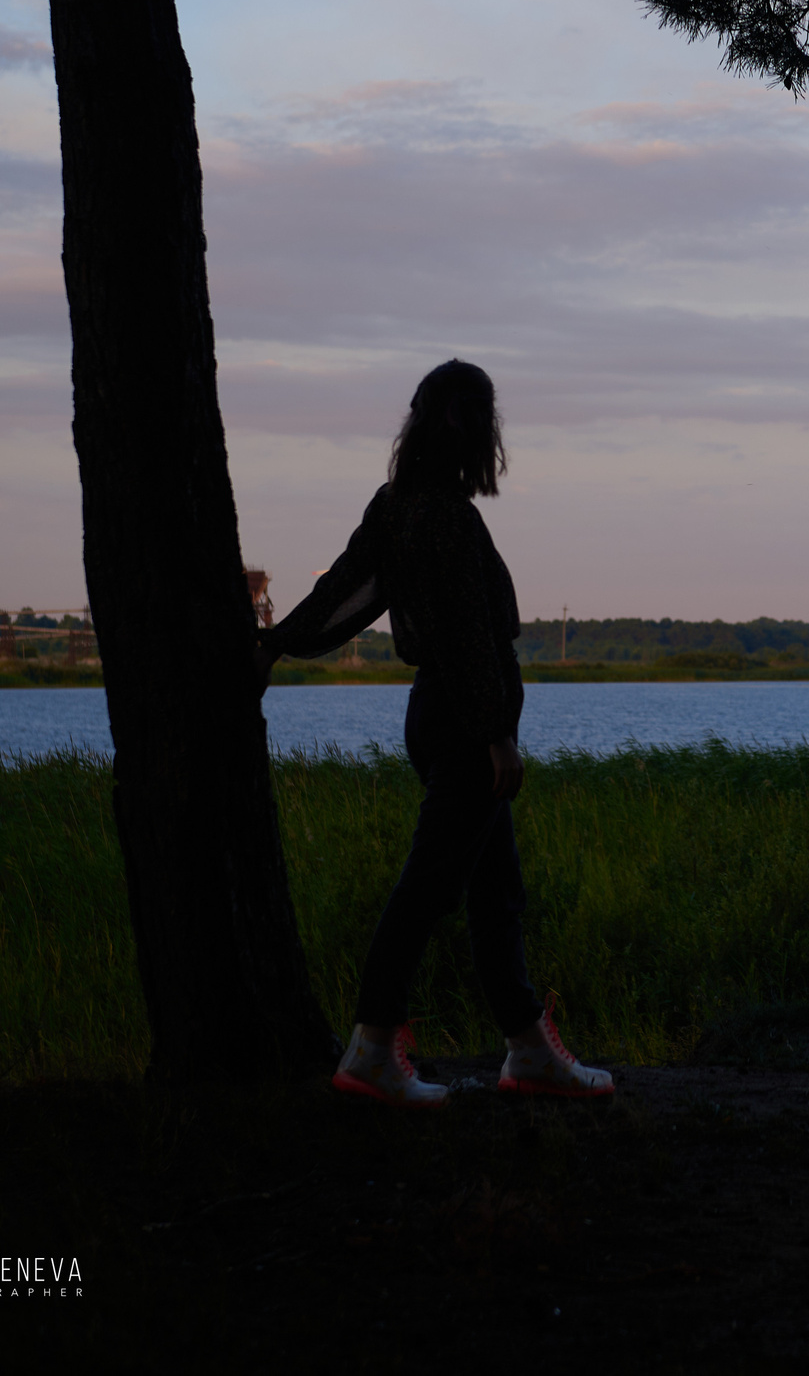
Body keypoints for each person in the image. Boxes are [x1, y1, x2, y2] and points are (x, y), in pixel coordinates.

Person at [257, 360, 612, 1108]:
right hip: (462, 724)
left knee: (495, 888)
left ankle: (527, 1049)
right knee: (430, 887)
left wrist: (276, 643)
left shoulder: (397, 505)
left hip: (439, 715)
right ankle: (371, 1051)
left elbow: (341, 592)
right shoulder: (444, 517)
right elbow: (463, 635)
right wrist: (496, 734)